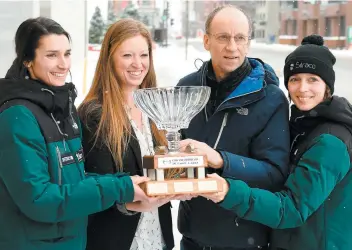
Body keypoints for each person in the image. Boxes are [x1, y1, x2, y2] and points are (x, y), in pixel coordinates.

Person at [0, 17, 149, 250]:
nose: (63, 64)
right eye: (51, 55)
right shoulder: (17, 116)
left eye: (67, 53)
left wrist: (125, 183)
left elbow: (73, 182)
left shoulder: (62, 108)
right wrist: (121, 188)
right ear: (28, 60)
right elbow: (39, 199)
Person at [204, 35, 352, 250]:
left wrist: (227, 191)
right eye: (294, 79)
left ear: (327, 85)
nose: (302, 88)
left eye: (313, 79)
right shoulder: (302, 125)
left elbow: (291, 209)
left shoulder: (330, 142)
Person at [176, 5, 290, 250]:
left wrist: (221, 161)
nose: (232, 47)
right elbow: (176, 153)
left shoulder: (270, 98)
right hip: (192, 239)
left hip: (244, 240)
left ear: (248, 42)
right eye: (223, 37)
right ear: (206, 41)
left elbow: (274, 174)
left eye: (240, 38)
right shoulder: (185, 88)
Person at [78, 19, 180, 250]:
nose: (138, 64)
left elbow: (162, 170)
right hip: (116, 239)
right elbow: (94, 188)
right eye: (127, 56)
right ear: (110, 58)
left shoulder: (156, 108)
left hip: (157, 237)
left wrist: (179, 182)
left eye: (144, 55)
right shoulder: (95, 114)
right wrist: (133, 205)